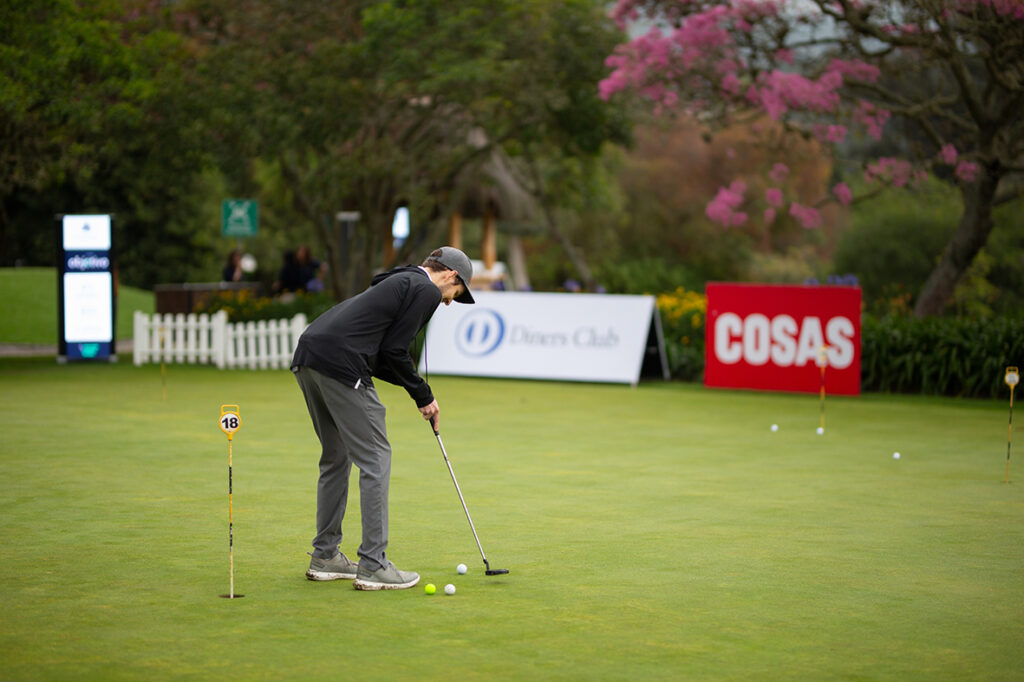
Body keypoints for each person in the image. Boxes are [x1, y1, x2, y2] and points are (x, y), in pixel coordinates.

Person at [291, 246, 475, 590]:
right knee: (375, 458)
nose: (449, 301)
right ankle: (373, 564)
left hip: (309, 355)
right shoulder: (426, 290)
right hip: (341, 363)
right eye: (456, 293)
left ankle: (325, 556)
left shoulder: (400, 281)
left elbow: (382, 355)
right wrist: (424, 394)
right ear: (450, 275)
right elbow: (394, 351)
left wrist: (419, 392)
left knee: (336, 457)